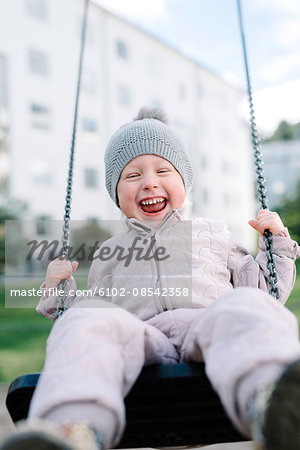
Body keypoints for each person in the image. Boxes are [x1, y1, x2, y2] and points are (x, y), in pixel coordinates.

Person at [2, 107, 300, 450]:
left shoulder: (213, 233)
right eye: (132, 176)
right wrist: (61, 292)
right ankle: (73, 429)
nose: (149, 182)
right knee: (87, 322)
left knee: (244, 306)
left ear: (184, 182)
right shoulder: (109, 252)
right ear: (117, 195)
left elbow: (264, 292)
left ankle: (273, 403)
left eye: (163, 170)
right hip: (142, 341)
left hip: (206, 330)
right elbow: (95, 317)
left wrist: (276, 242)